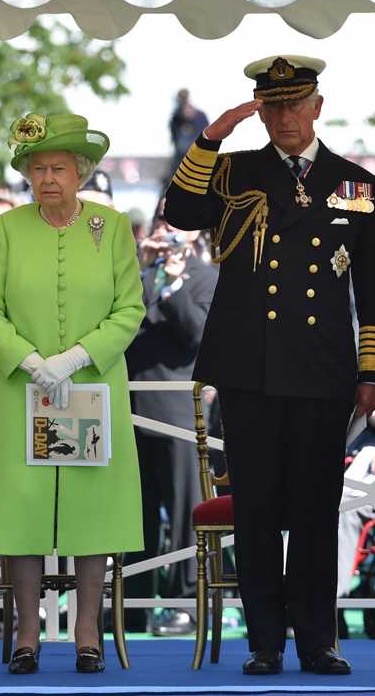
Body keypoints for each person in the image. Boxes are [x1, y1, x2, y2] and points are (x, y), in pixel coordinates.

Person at [163, 55, 375, 676]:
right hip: (250, 367)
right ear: (259, 110)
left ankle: (318, 638)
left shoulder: (354, 184)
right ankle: (265, 640)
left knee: (317, 509)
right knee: (258, 509)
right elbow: (178, 213)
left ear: (317, 106)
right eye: (272, 106)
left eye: (295, 104)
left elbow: (374, 288)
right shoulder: (233, 170)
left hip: (322, 369)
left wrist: (373, 373)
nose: (284, 116)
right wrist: (210, 138)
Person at [0, 111, 145, 675]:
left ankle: (87, 630)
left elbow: (130, 308)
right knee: (24, 512)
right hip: (27, 391)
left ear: (82, 172)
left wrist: (77, 357)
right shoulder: (9, 227)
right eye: (37, 168)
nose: (48, 177)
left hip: (91, 387)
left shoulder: (112, 226)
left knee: (89, 510)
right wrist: (29, 360)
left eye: (59, 168)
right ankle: (26, 631)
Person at [123, 195, 217, 637]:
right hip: (128, 412)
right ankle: (133, 605)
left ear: (196, 229)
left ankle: (185, 606)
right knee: (133, 516)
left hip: (177, 415)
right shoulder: (132, 274)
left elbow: (196, 336)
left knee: (184, 515)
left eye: (178, 220)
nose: (167, 226)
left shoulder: (205, 278)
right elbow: (113, 324)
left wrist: (176, 286)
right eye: (162, 217)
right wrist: (139, 271)